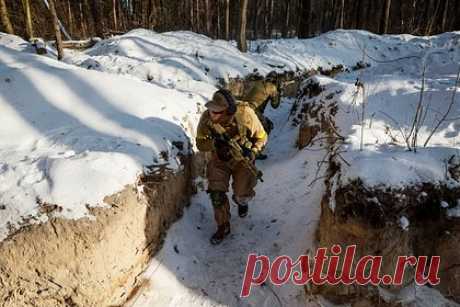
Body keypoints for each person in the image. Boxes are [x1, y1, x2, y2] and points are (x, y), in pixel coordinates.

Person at [196, 89, 267, 245]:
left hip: (242, 160)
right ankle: (223, 226)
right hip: (219, 159)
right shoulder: (207, 118)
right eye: (211, 110)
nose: (212, 114)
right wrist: (214, 143)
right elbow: (200, 143)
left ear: (228, 111)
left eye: (217, 112)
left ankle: (242, 201)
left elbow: (262, 136)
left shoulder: (245, 114)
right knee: (216, 194)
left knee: (242, 193)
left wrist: (253, 152)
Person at [243, 72, 281, 159]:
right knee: (266, 128)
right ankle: (257, 151)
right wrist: (279, 91)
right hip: (253, 111)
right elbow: (275, 105)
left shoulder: (259, 82)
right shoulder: (272, 87)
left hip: (242, 107)